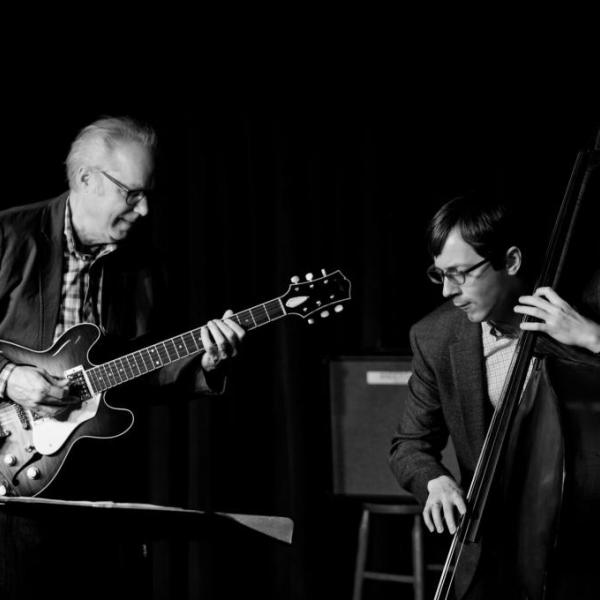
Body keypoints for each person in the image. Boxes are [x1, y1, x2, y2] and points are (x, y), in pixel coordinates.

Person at [0, 116, 246, 599]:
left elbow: (145, 375)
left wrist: (206, 363)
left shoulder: (147, 270)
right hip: (11, 497)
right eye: (132, 193)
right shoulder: (10, 235)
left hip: (99, 492)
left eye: (148, 192)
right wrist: (9, 378)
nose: (146, 209)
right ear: (87, 179)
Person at [388, 194, 600, 599]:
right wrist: (435, 481)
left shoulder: (587, 304)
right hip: (491, 553)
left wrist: (593, 339)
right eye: (440, 274)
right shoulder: (435, 336)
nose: (449, 291)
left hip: (584, 546)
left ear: (512, 261)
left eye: (461, 274)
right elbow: (409, 444)